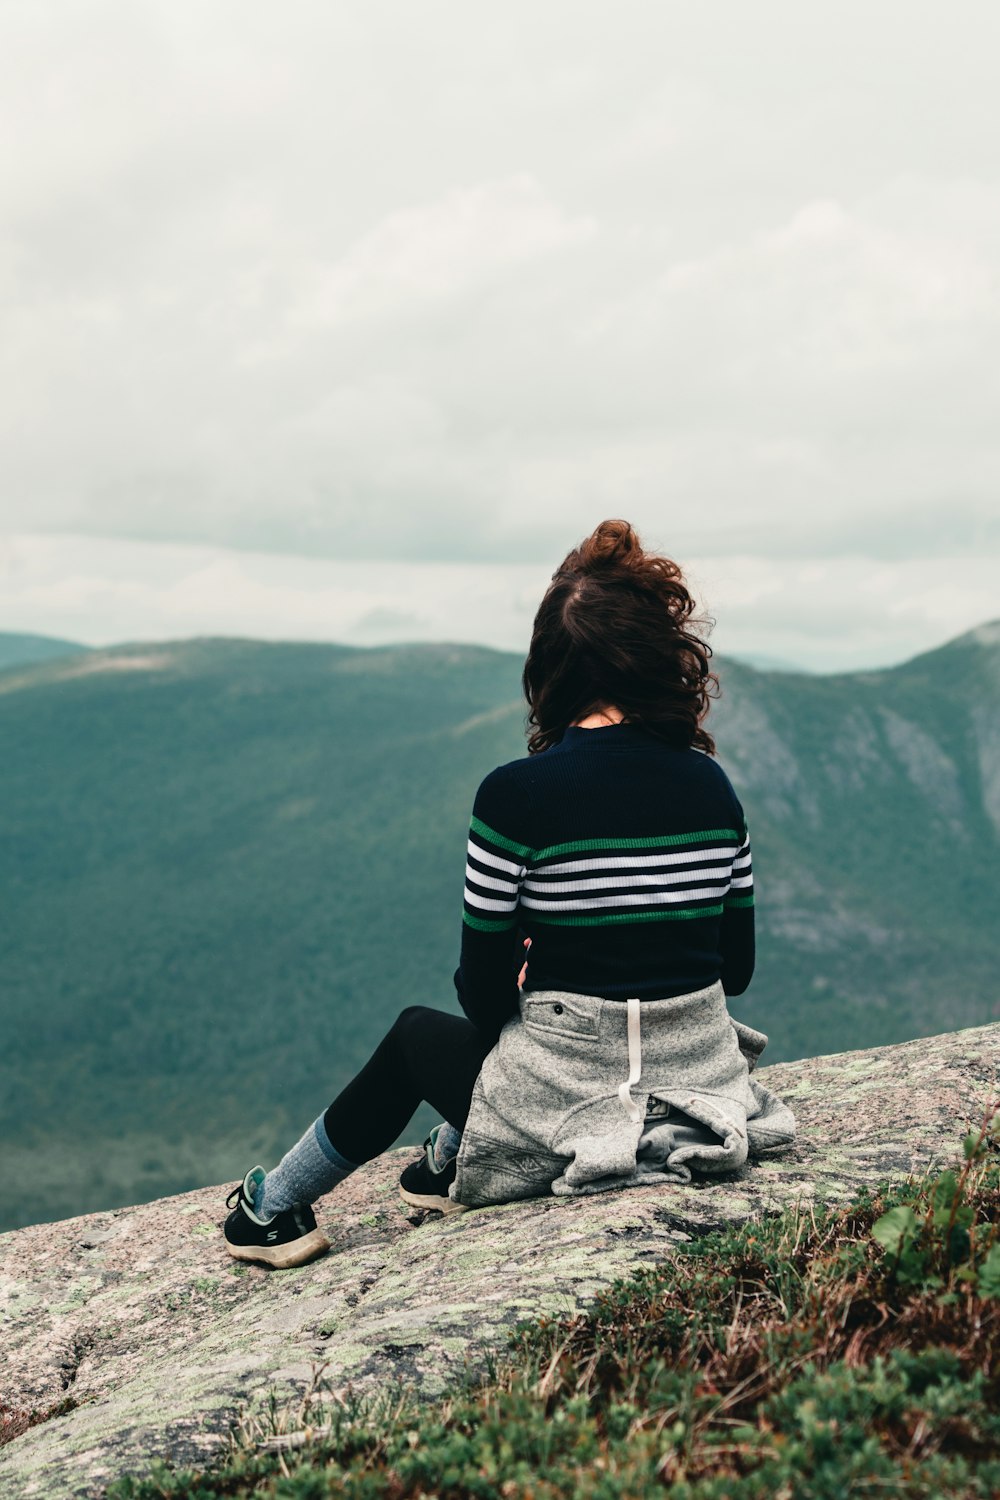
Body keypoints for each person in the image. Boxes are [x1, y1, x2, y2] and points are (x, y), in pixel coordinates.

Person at [222, 519, 794, 1269]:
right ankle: (446, 1164)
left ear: (549, 668)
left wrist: (536, 979)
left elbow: (482, 997)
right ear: (659, 659)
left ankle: (271, 1213)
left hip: (566, 1104)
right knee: (524, 1023)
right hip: (696, 1090)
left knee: (413, 1038)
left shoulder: (514, 798)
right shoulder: (710, 786)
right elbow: (736, 969)